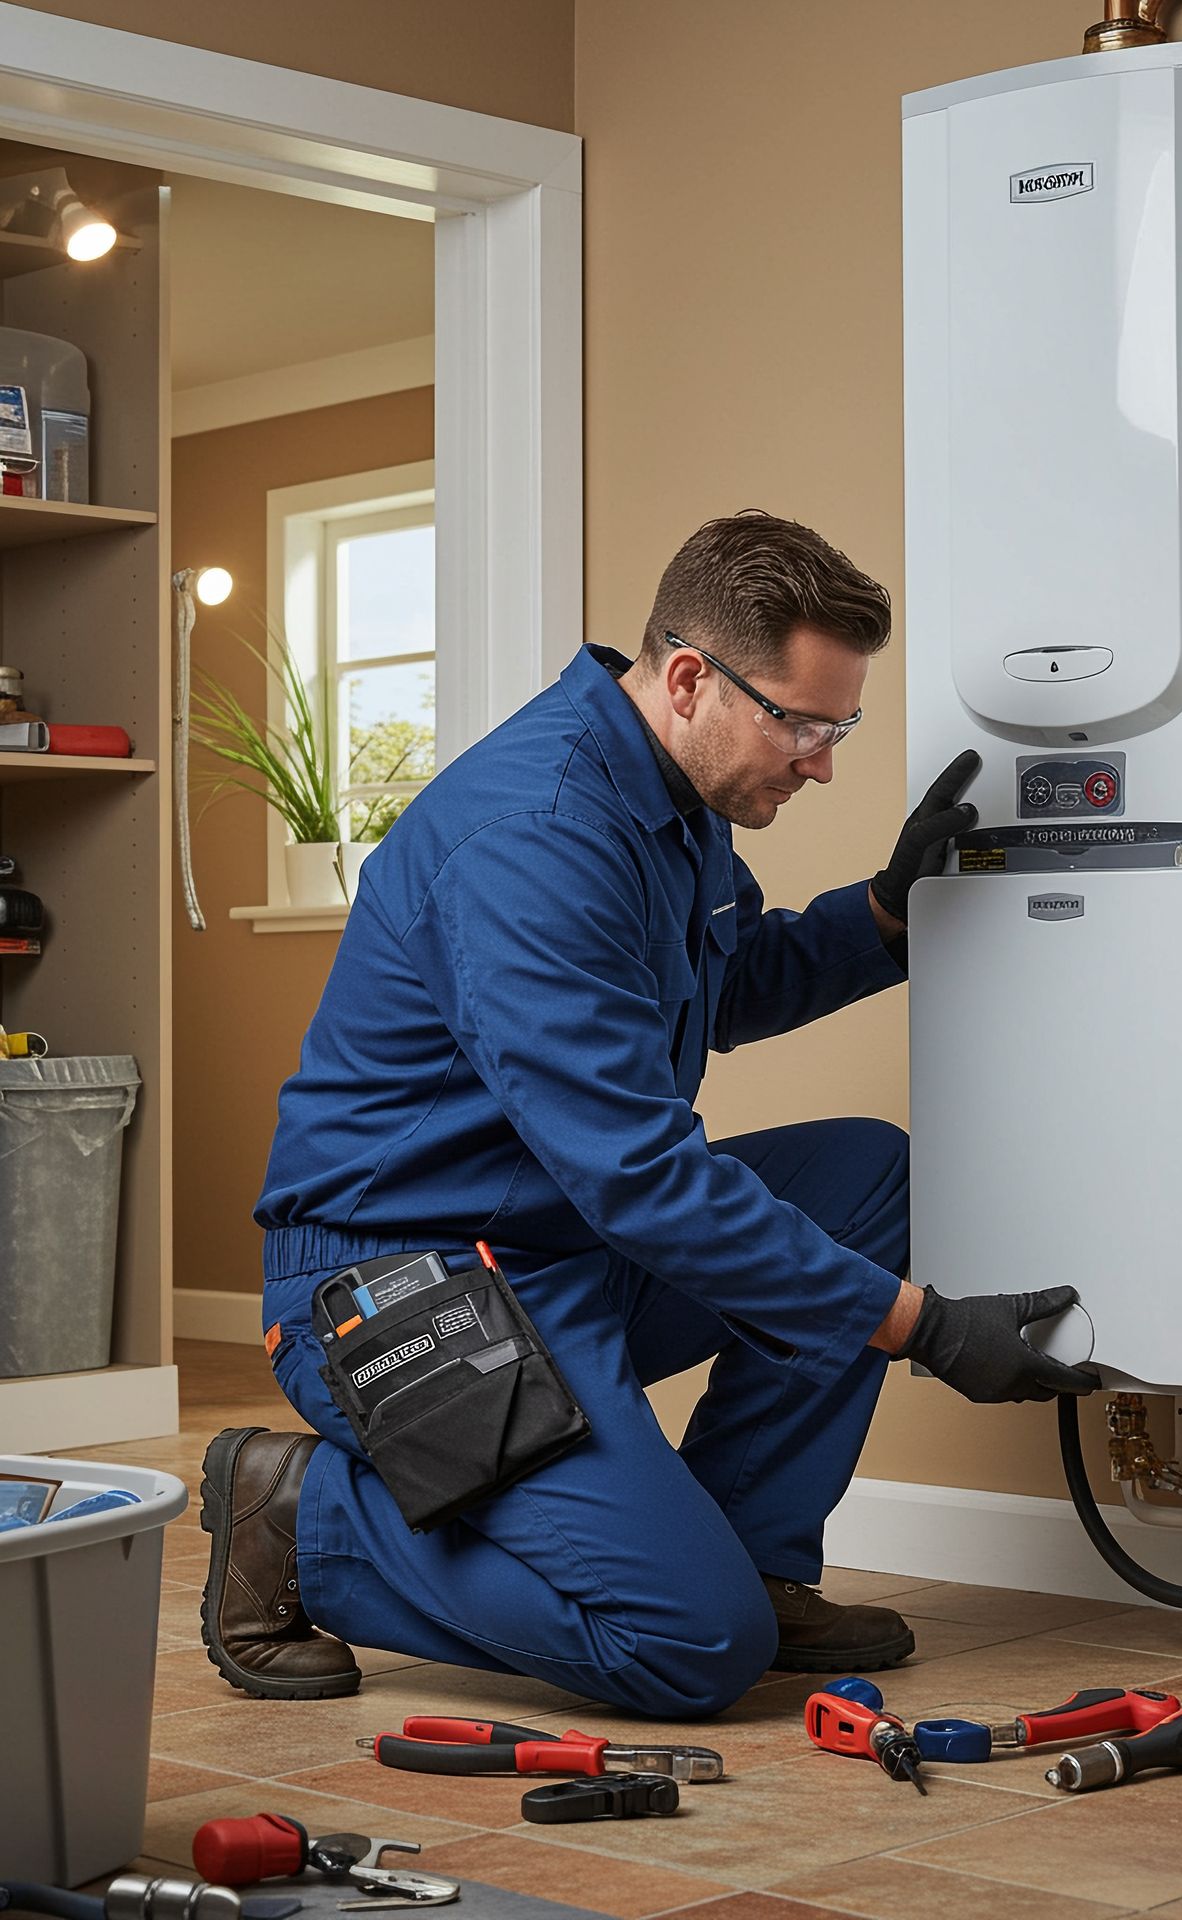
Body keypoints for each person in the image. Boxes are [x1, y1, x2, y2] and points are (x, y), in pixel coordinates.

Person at [199, 511, 1099, 1714]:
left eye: (843, 724)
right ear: (690, 678)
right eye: (806, 723)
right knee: (682, 1648)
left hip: (562, 1246)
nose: (823, 760)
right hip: (401, 1291)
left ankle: (749, 1557)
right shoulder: (538, 837)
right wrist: (924, 1328)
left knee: (867, 1176)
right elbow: (643, 1177)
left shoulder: (672, 805)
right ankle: (303, 1521)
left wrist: (886, 911)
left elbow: (723, 987)